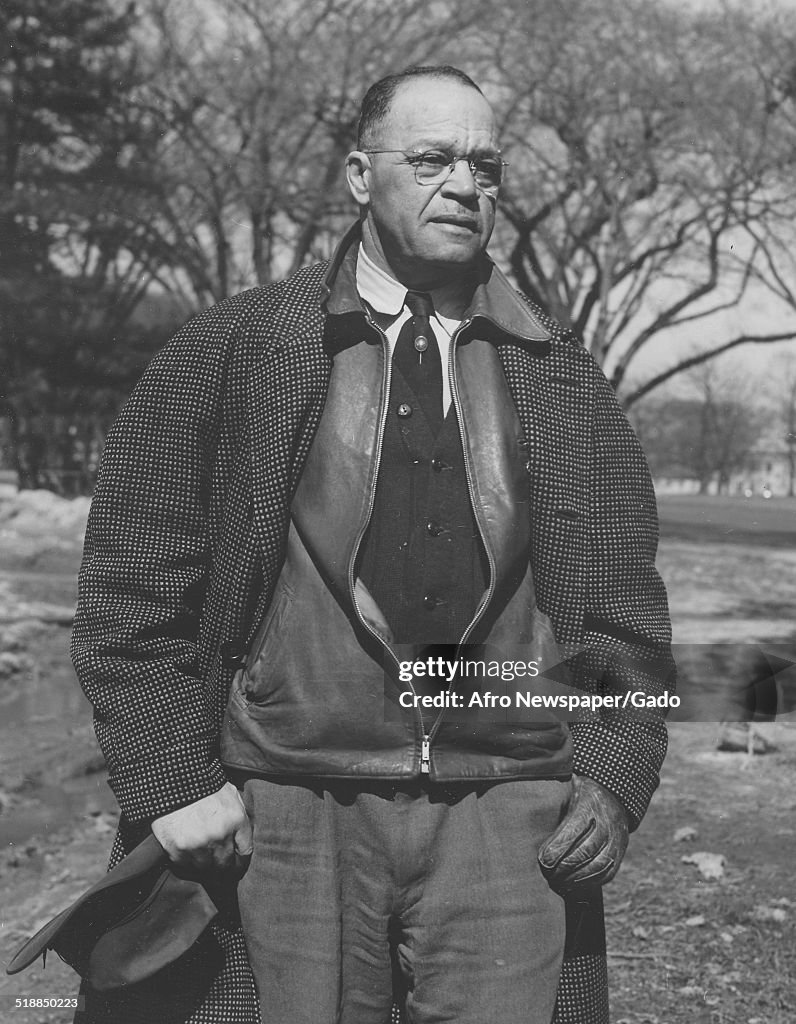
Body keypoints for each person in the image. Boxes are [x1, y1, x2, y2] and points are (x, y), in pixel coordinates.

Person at [71, 66, 674, 1024]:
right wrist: (174, 780)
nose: (465, 185)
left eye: (486, 165)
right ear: (360, 174)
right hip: (287, 802)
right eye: (431, 159)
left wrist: (615, 771)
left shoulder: (560, 369)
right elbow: (131, 586)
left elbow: (622, 611)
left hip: (508, 808)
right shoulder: (233, 348)